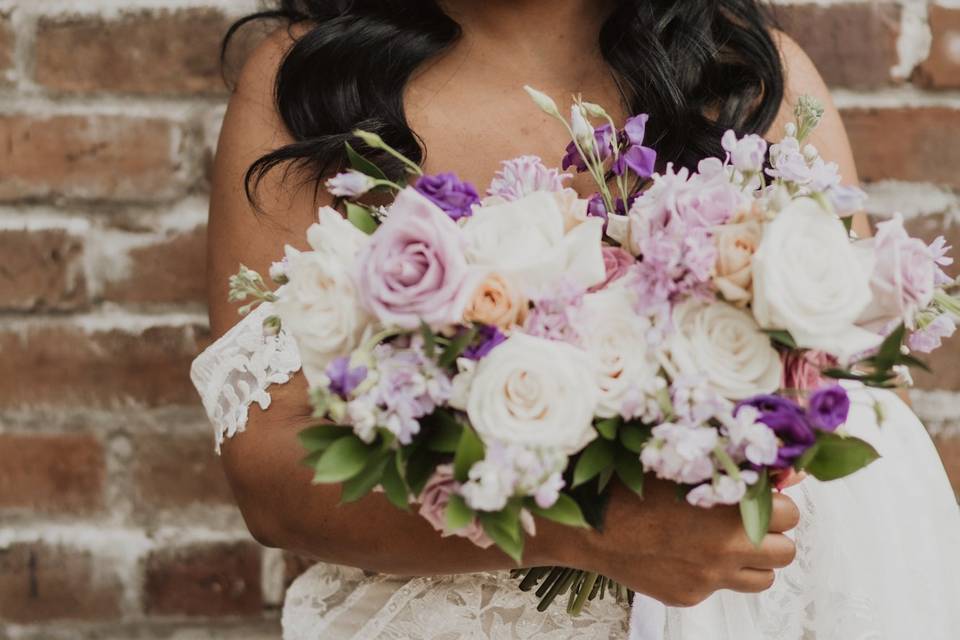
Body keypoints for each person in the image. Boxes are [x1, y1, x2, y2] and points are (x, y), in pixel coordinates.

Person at [191, 1, 960, 638]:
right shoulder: (314, 86)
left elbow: (843, 407)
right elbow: (270, 475)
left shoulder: (750, 81)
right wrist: (591, 531)